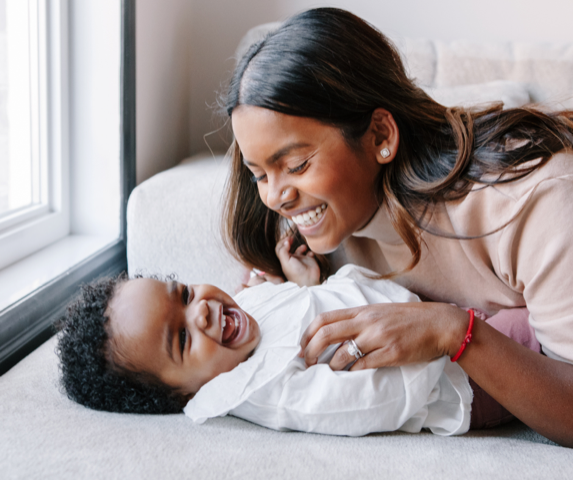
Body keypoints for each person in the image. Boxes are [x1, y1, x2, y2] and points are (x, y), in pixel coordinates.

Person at [221, 7, 573, 446]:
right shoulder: (311, 232)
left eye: (296, 164)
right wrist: (309, 292)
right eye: (259, 174)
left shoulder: (529, 201)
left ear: (381, 136)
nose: (275, 197)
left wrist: (451, 331)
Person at [56, 236, 535, 435]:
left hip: (445, 316)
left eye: (181, 293)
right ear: (182, 394)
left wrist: (305, 283)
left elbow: (299, 314)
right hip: (463, 373)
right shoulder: (267, 390)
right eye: (181, 339)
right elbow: (368, 403)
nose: (200, 310)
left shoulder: (245, 315)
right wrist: (437, 345)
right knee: (548, 337)